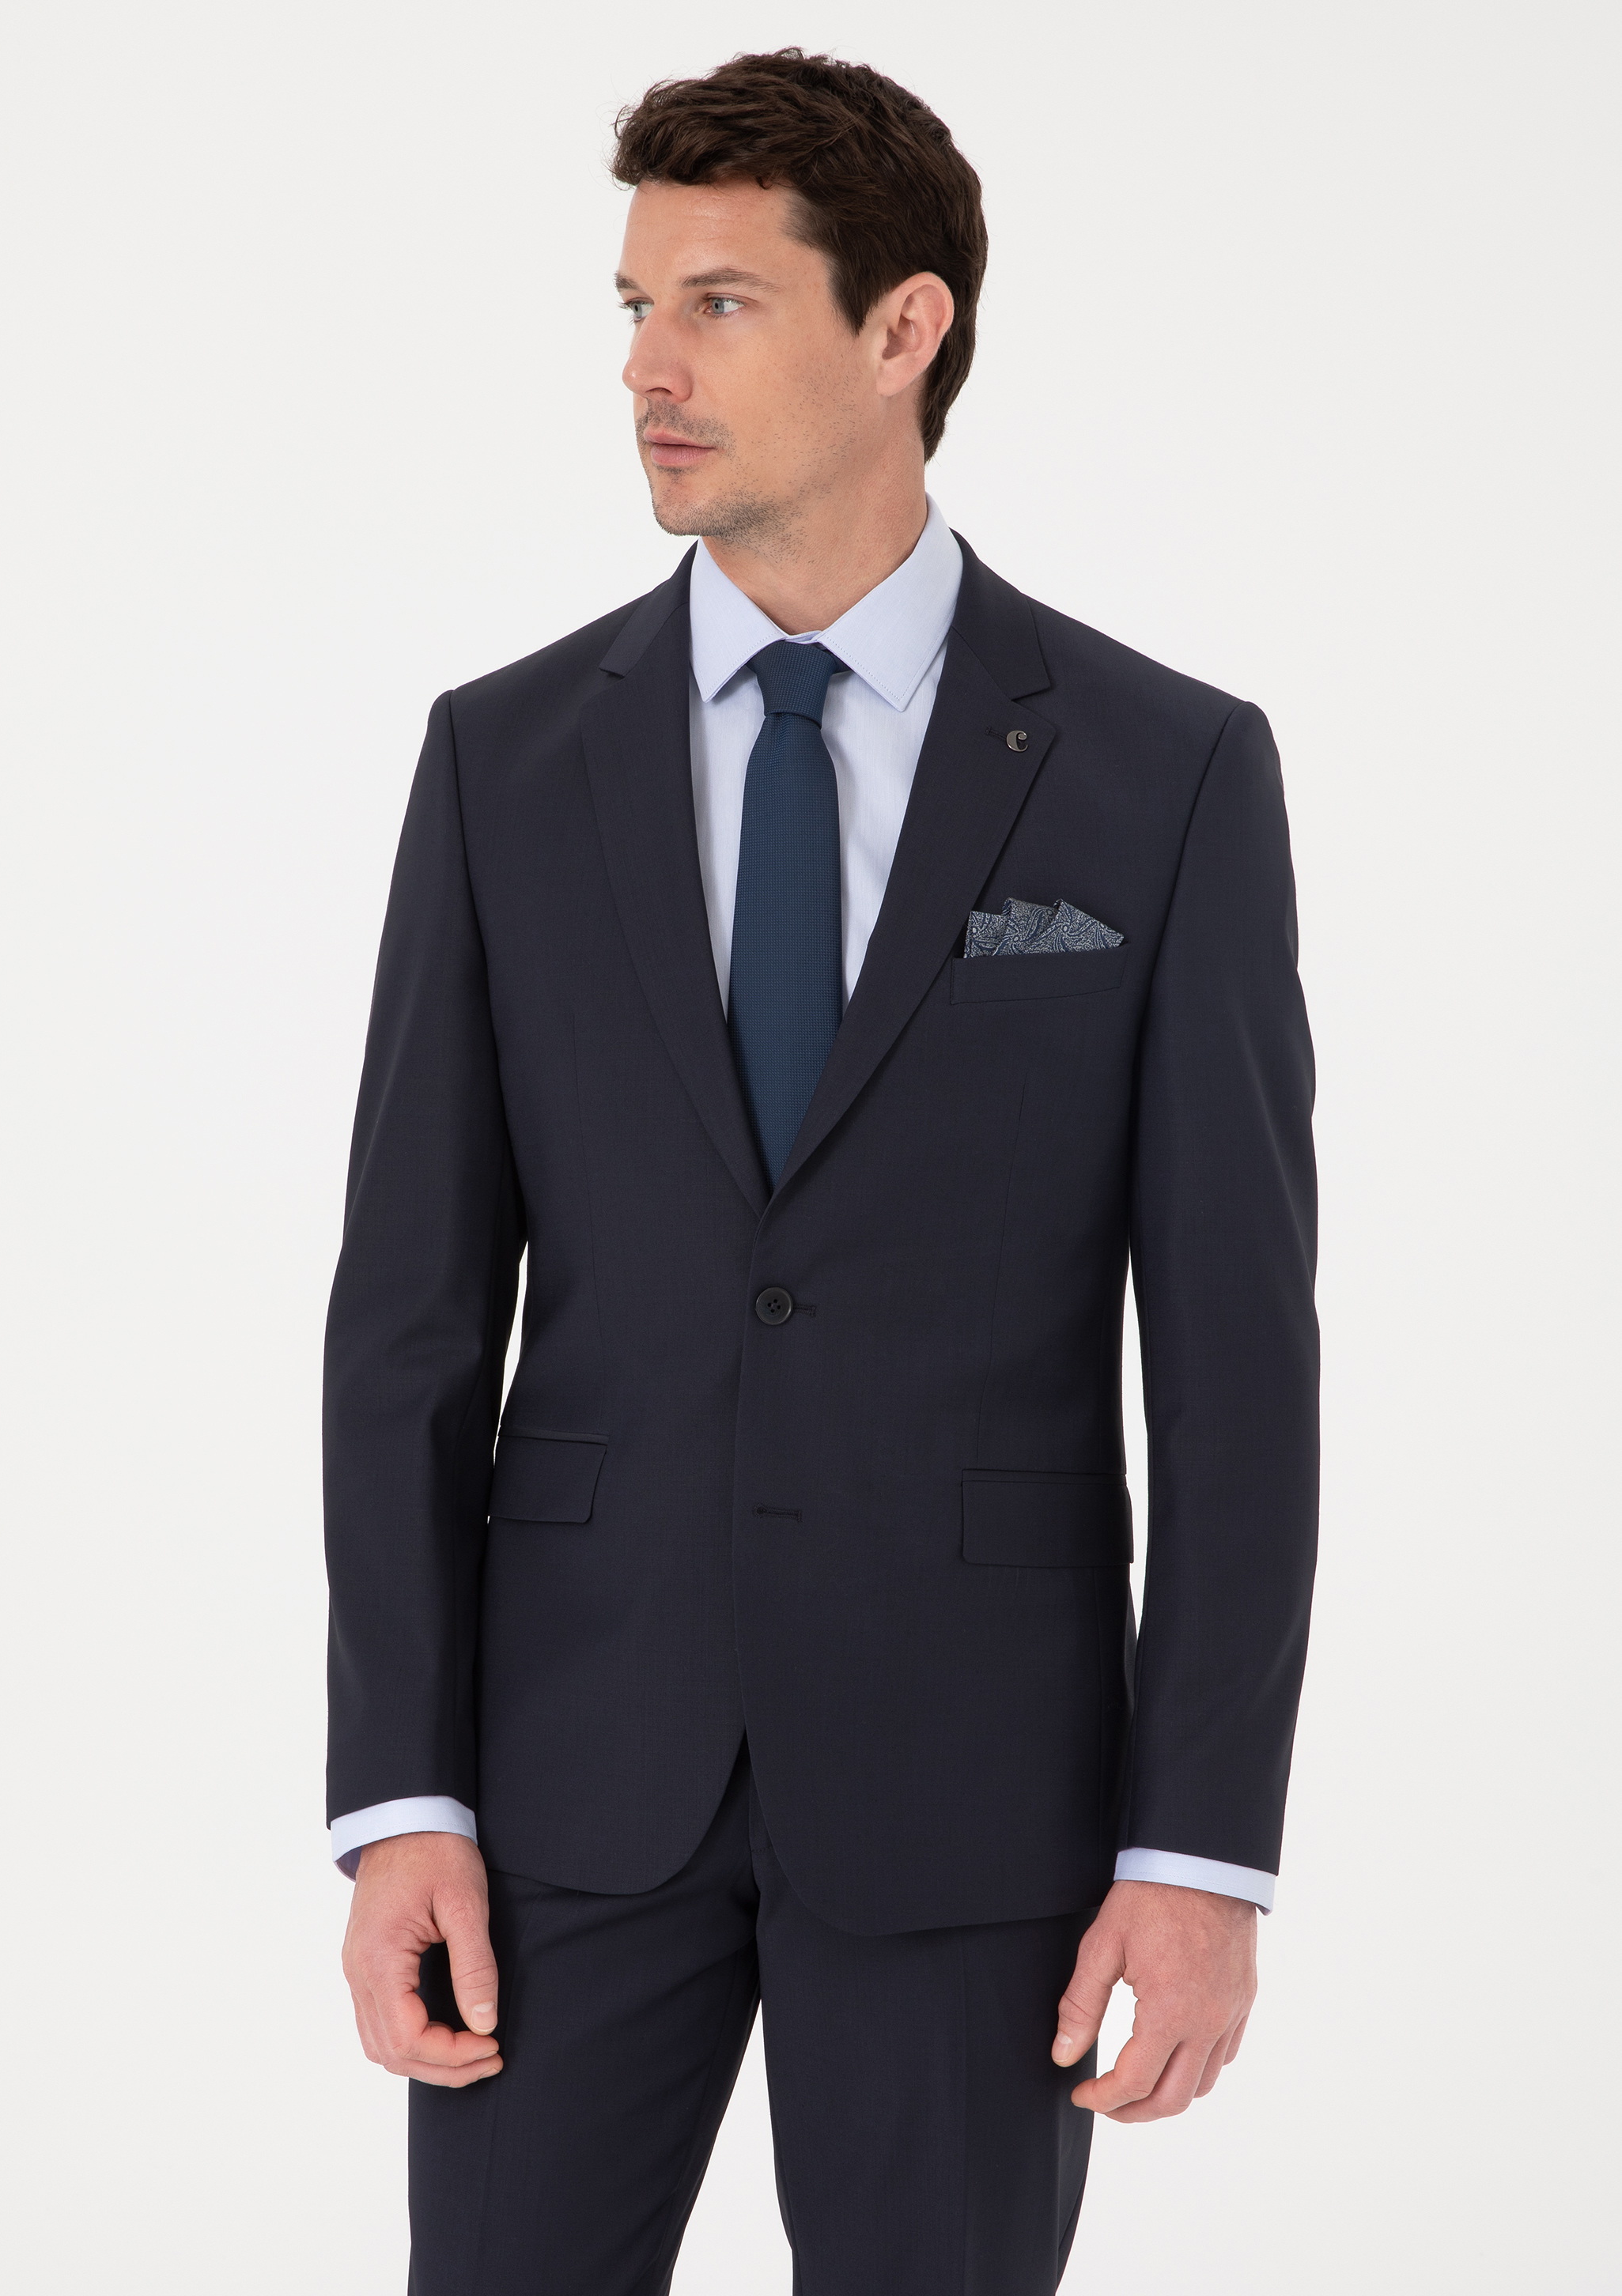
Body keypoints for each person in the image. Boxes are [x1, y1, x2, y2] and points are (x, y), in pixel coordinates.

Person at [324, 47, 1318, 2295]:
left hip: (978, 1803)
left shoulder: (1162, 774)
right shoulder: (503, 762)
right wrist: (401, 1802)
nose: (644, 370)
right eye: (632, 306)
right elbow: (406, 1323)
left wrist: (1199, 1850)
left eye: (719, 304)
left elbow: (1239, 1367)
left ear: (903, 330)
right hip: (563, 1793)